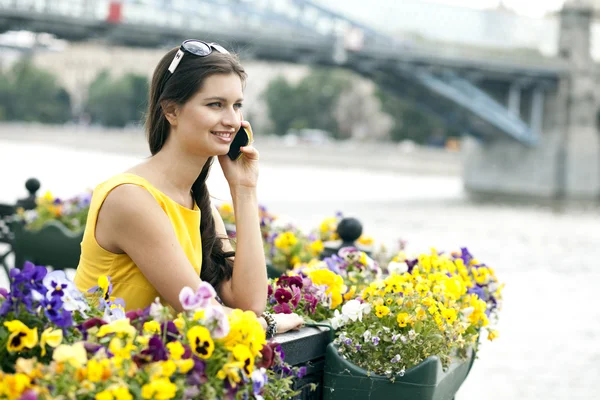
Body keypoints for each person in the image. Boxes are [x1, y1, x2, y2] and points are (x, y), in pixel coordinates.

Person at [74, 40, 303, 336]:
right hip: (99, 370)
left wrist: (244, 189)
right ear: (171, 111)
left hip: (150, 370)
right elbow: (205, 316)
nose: (232, 121)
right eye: (215, 104)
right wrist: (269, 325)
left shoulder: (199, 206)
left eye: (237, 106)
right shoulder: (130, 198)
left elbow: (248, 303)